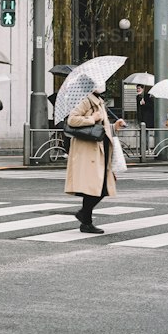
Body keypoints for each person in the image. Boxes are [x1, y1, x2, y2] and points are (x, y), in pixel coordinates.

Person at [65, 78, 125, 232]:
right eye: (99, 82)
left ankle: (85, 218)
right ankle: (86, 220)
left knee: (100, 187)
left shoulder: (98, 101)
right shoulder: (86, 101)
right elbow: (72, 120)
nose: (102, 85)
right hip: (89, 150)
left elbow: (101, 128)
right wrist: (93, 118)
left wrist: (114, 126)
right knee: (96, 187)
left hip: (99, 148)